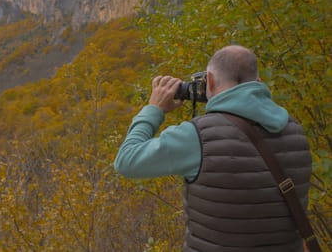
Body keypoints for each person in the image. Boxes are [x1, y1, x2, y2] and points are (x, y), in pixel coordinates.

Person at [114, 45, 312, 251]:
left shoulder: (197, 136)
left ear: (209, 80)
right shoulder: (295, 130)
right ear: (258, 83)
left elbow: (126, 161)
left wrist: (154, 109)